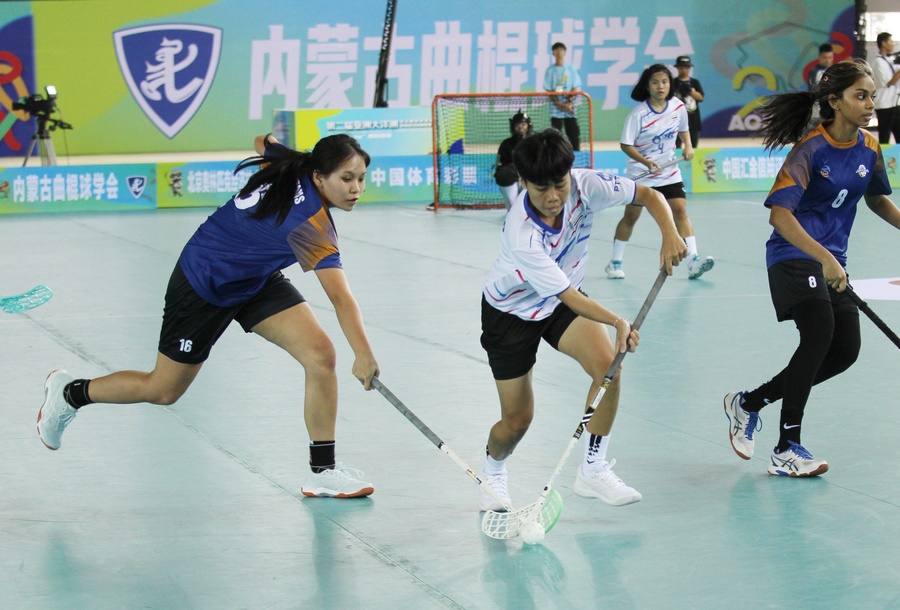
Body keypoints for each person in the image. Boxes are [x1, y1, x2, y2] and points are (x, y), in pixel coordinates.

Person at [36, 133, 381, 498]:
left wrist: (284, 153)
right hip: (203, 281)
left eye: (361, 178)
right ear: (318, 177)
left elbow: (260, 140)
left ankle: (323, 471)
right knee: (163, 390)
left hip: (254, 277)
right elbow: (340, 298)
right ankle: (70, 394)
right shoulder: (312, 225)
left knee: (321, 356)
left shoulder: (296, 165)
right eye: (346, 178)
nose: (356, 188)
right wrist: (364, 354)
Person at [478, 128, 686, 510]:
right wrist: (618, 321)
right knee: (517, 421)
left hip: (559, 302)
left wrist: (670, 232)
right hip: (512, 313)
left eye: (559, 184)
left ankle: (593, 469)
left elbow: (649, 195)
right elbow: (570, 297)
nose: (553, 197)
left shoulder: (587, 185)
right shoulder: (522, 233)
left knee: (608, 367)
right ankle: (493, 470)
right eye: (541, 189)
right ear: (522, 181)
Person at [724, 59, 900, 477]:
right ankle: (787, 447)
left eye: (872, 96)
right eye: (861, 96)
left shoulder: (869, 147)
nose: (870, 104)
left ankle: (748, 403)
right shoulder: (810, 149)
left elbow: (877, 198)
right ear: (835, 101)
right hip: (793, 254)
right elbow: (780, 216)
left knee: (845, 351)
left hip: (831, 261)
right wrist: (825, 258)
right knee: (820, 332)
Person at [605, 64, 715, 281]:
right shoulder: (638, 114)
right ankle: (615, 262)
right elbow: (626, 145)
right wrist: (645, 162)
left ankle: (693, 260)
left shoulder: (678, 107)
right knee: (631, 216)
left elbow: (684, 129)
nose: (660, 86)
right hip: (642, 173)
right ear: (647, 86)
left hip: (668, 172)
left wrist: (688, 146)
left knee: (680, 210)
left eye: (664, 82)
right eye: (655, 82)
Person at [543, 42, 582, 152]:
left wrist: (568, 102)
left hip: (569, 106)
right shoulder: (550, 70)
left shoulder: (570, 68)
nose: (559, 53)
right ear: (553, 53)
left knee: (573, 132)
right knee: (556, 133)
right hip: (555, 108)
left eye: (561, 50)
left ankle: (576, 152)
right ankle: (556, 153)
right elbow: (548, 89)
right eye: (556, 50)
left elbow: (575, 86)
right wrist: (558, 104)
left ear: (565, 52)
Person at [494, 111, 532, 210]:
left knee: (527, 204)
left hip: (528, 177)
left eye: (523, 125)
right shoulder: (506, 144)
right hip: (510, 177)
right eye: (517, 125)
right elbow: (499, 163)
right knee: (512, 205)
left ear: (528, 125)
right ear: (513, 127)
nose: (521, 128)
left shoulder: (534, 142)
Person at [872, 32, 900, 145]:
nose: (893, 44)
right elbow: (890, 82)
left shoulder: (890, 59)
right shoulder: (878, 62)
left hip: (895, 103)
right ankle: (883, 156)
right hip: (884, 105)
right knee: (885, 137)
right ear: (883, 43)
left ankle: (896, 156)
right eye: (891, 41)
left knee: (898, 135)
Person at [673, 55, 704, 149]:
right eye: (681, 68)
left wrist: (690, 91)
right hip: (676, 119)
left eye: (686, 68)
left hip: (693, 119)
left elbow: (701, 98)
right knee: (676, 146)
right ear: (678, 68)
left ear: (690, 68)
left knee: (693, 147)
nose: (684, 70)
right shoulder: (673, 83)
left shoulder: (694, 82)